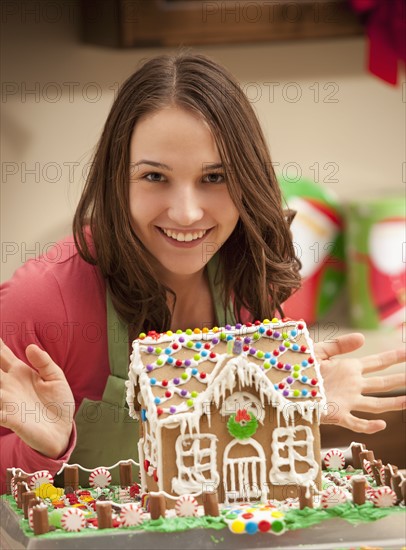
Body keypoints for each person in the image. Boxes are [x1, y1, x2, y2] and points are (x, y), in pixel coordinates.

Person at [1, 53, 404, 492]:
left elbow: (239, 472)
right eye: (155, 176)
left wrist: (292, 403)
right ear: (115, 178)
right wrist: (44, 447)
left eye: (215, 177)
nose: (187, 212)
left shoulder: (249, 274)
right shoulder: (42, 301)